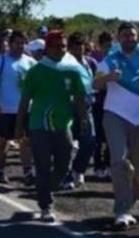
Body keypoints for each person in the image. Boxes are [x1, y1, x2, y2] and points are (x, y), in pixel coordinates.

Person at [93, 22, 139, 231]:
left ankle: (127, 207)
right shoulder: (111, 60)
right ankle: (121, 210)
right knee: (118, 160)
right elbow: (94, 84)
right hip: (115, 115)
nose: (129, 39)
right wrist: (109, 77)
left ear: (137, 38)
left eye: (132, 36)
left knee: (138, 171)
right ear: (119, 38)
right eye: (125, 36)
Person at [16, 31, 86, 223]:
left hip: (63, 125)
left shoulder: (72, 70)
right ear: (47, 48)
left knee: (64, 165)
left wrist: (84, 117)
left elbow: (79, 96)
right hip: (39, 125)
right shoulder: (36, 71)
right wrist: (19, 126)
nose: (60, 50)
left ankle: (45, 187)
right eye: (56, 46)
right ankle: (46, 205)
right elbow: (24, 101)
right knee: (43, 166)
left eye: (63, 46)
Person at [0, 30, 36, 185]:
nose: (20, 46)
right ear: (10, 43)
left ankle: (28, 172)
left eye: (22, 43)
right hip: (5, 108)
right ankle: (0, 170)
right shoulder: (0, 60)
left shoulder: (30, 62)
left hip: (25, 109)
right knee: (2, 141)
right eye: (17, 43)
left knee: (25, 141)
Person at [62, 32, 98, 190]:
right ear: (69, 49)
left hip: (87, 109)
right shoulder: (63, 65)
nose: (79, 50)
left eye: (81, 47)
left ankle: (78, 169)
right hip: (67, 109)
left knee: (89, 142)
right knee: (67, 145)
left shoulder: (90, 63)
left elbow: (96, 83)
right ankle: (66, 175)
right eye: (75, 47)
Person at [91, 31, 113, 179]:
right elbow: (94, 83)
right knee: (98, 137)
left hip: (112, 104)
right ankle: (98, 165)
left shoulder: (115, 59)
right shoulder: (94, 60)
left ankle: (109, 164)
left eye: (110, 46)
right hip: (98, 102)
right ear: (99, 45)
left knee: (111, 136)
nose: (108, 49)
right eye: (105, 46)